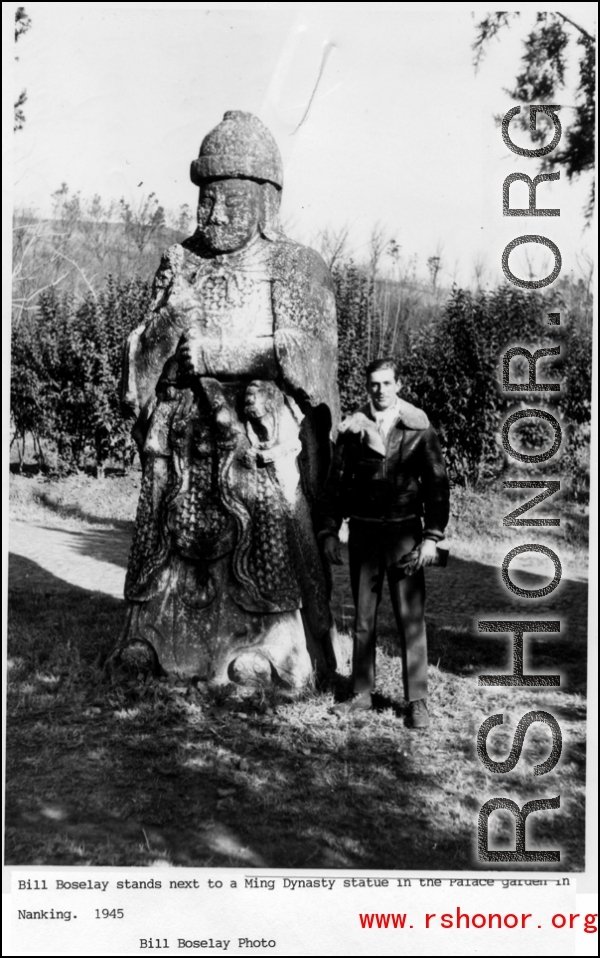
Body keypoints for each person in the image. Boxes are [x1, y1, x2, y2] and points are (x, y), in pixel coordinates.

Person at [116, 111, 339, 687]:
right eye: (205, 197)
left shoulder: (291, 266)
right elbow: (140, 358)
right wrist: (169, 322)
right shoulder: (180, 261)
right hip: (182, 438)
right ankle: (153, 638)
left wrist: (220, 357)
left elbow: (306, 353)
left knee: (259, 519)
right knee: (167, 528)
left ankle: (265, 645)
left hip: (250, 433)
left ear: (265, 200)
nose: (213, 212)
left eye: (229, 198)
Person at [318, 358, 449, 727]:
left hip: (405, 533)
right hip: (362, 533)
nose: (380, 390)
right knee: (363, 618)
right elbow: (336, 484)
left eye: (387, 383)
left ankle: (417, 700)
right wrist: (329, 530)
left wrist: (431, 538)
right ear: (367, 386)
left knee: (411, 618)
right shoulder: (351, 429)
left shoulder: (419, 428)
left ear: (398, 385)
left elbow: (437, 486)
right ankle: (361, 693)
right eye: (374, 384)